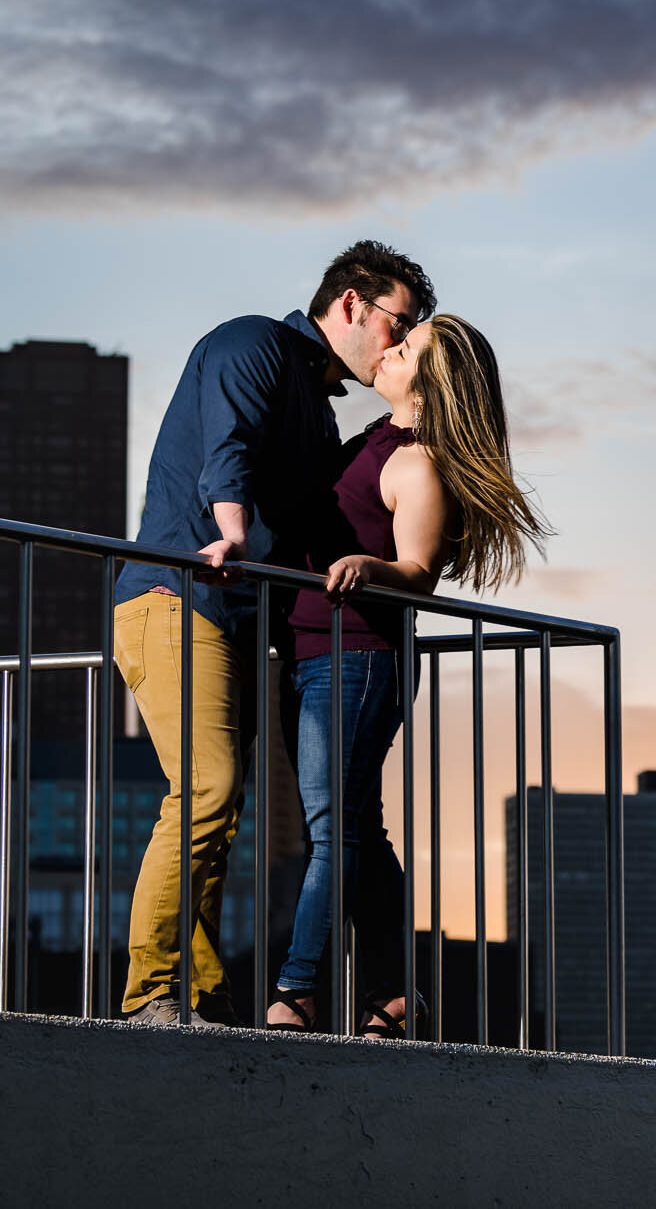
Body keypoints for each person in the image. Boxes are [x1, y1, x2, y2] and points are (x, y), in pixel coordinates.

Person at [112, 241, 435, 1027]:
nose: (401, 341)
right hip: (176, 595)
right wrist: (229, 533)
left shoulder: (323, 418)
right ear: (352, 304)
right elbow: (226, 449)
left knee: (244, 807)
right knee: (208, 788)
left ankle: (203, 991)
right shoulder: (251, 342)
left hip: (242, 622)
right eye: (400, 321)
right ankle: (154, 990)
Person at [264, 313, 549, 1037]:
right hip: (310, 655)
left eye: (408, 347)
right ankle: (393, 993)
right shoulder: (370, 443)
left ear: (436, 380)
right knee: (358, 825)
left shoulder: (418, 462)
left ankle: (297, 989)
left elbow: (418, 571)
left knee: (333, 832)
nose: (388, 349)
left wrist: (371, 566)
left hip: (357, 658)